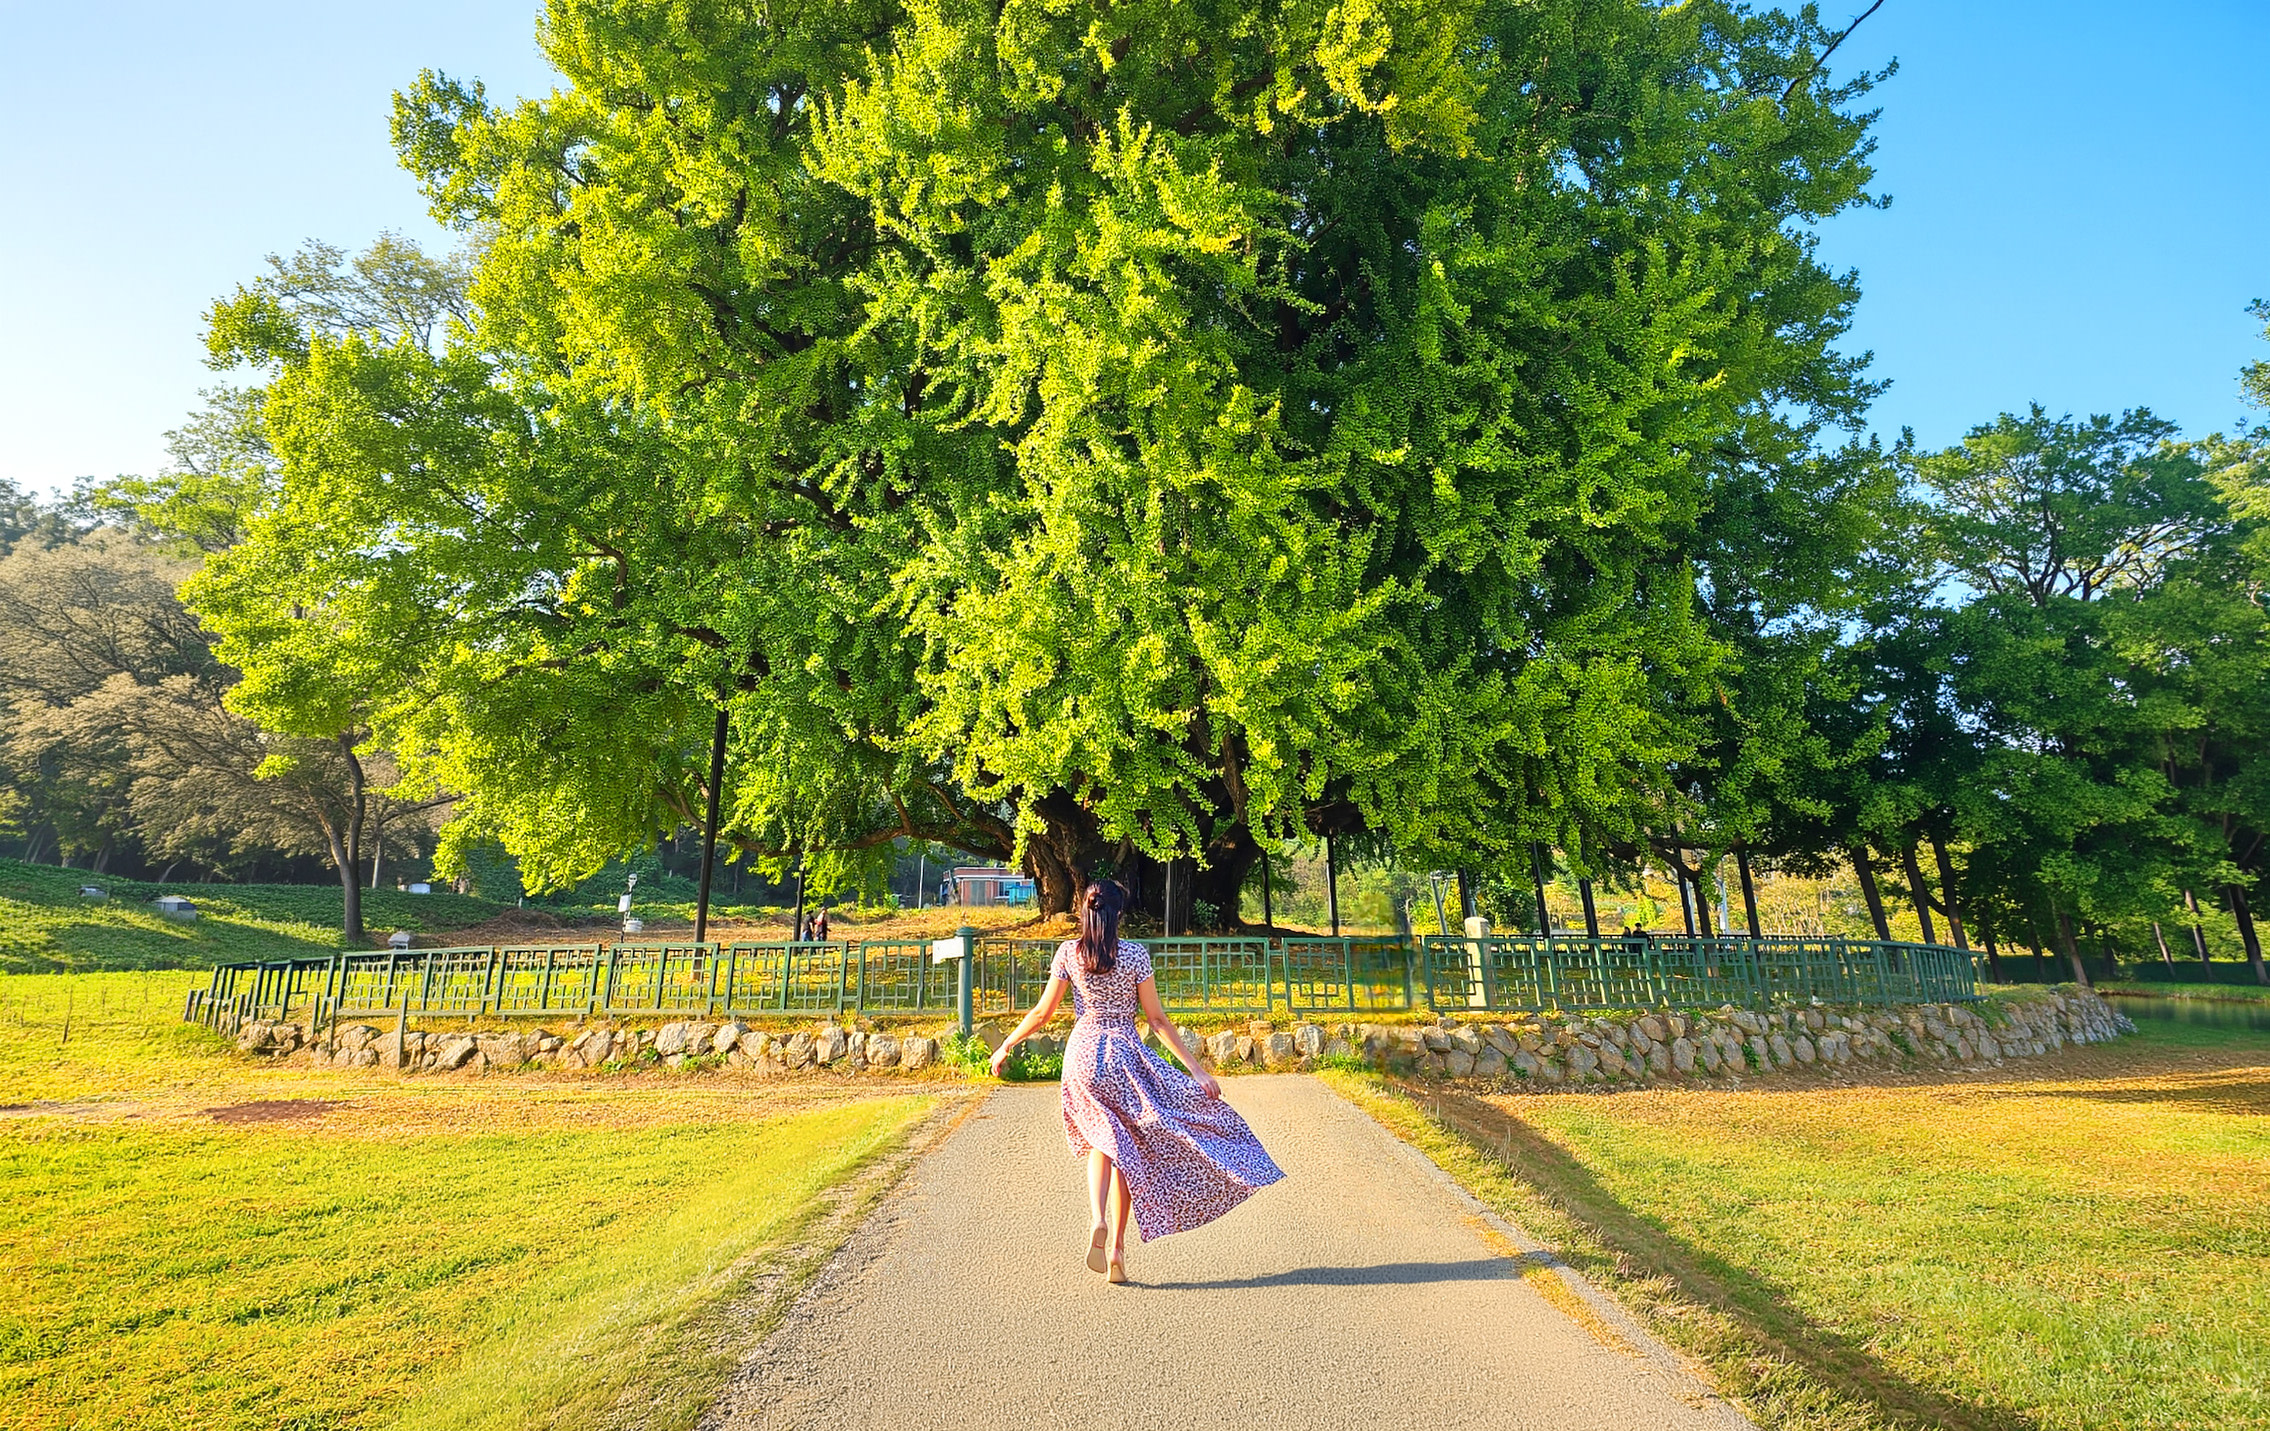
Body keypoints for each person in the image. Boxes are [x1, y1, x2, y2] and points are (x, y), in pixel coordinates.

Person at [989, 879, 1284, 1283]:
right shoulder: (1134, 955)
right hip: (1124, 1056)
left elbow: (1043, 1012)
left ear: (1084, 911)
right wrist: (1196, 1069)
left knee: (1102, 1141)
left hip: (1083, 1055)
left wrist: (1006, 1044)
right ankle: (1117, 1250)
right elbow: (1157, 1020)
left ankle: (1097, 1220)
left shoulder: (1068, 954)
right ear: (1119, 914)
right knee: (1125, 1148)